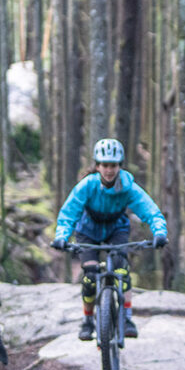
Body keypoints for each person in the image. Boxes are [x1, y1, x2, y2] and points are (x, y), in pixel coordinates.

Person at [51, 138, 168, 341]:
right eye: (104, 165)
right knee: (89, 276)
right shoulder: (87, 186)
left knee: (122, 270)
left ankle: (127, 318)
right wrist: (61, 236)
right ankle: (88, 320)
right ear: (97, 166)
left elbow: (150, 210)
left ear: (119, 166)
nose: (109, 170)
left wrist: (159, 232)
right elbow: (69, 213)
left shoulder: (128, 186)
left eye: (113, 165)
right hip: (88, 231)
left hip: (116, 230)